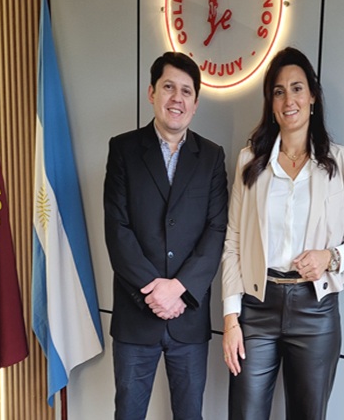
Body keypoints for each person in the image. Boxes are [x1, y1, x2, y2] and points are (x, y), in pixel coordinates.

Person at [221, 47, 344, 419]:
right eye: (279, 91)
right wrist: (230, 318)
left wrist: (330, 257)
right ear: (271, 103)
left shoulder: (342, 163)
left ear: (313, 96)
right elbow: (233, 242)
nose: (289, 100)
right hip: (256, 307)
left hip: (315, 311)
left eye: (297, 88)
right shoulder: (249, 161)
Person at [104, 51, 228, 420]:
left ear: (196, 102)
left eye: (186, 91)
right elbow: (117, 229)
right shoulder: (123, 149)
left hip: (188, 317)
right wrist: (155, 292)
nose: (177, 98)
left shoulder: (211, 157)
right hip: (135, 315)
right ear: (152, 92)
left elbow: (216, 230)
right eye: (169, 87)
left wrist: (179, 289)